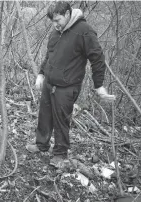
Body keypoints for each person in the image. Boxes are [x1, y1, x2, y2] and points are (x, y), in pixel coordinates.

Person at [26, 1, 115, 167]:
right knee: (44, 116)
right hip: (49, 83)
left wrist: (99, 85)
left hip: (67, 87)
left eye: (57, 20)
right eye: (52, 21)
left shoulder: (84, 31)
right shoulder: (56, 31)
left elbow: (97, 58)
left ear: (67, 14)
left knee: (61, 121)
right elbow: (49, 55)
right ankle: (41, 144)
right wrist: (41, 73)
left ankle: (60, 154)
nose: (55, 24)